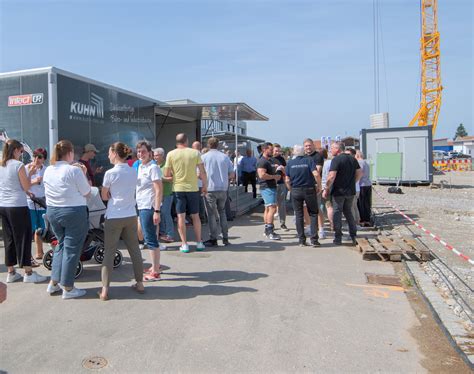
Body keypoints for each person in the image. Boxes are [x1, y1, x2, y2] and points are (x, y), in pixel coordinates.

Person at [44, 140, 91, 298]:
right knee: (71, 250)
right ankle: (68, 288)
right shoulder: (74, 170)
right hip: (73, 212)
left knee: (60, 245)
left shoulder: (48, 169)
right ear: (70, 153)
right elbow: (87, 192)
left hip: (53, 211)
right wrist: (83, 173)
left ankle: (54, 282)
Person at [99, 142, 144, 300]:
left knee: (109, 253)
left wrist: (110, 194)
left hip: (114, 215)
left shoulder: (110, 173)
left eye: (109, 153)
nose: (108, 155)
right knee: (135, 251)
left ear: (115, 154)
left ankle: (105, 290)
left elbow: (104, 196)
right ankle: (140, 283)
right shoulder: (133, 171)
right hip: (130, 214)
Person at [0, 139, 48, 284]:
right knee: (24, 238)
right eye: (21, 151)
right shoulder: (19, 165)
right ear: (15, 150)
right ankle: (28, 272)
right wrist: (31, 173)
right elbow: (26, 186)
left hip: (3, 205)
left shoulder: (2, 165)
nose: (22, 154)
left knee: (9, 238)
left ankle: (11, 272)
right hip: (17, 206)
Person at [164, 133, 207, 253]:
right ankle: (199, 243)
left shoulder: (171, 154)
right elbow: (202, 171)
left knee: (181, 217)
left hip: (178, 188)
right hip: (193, 188)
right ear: (187, 141)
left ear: (176, 142)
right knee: (195, 216)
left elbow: (167, 174)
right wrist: (205, 185)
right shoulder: (195, 153)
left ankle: (184, 244)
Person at [323, 142, 362, 245]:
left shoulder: (336, 160)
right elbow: (360, 173)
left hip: (338, 191)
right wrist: (353, 182)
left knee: (337, 213)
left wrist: (326, 188)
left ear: (338, 149)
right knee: (348, 212)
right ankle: (353, 235)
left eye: (332, 148)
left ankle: (338, 237)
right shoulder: (352, 159)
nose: (330, 150)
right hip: (350, 191)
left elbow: (331, 176)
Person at [136, 141, 164, 281]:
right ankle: (155, 267)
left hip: (149, 206)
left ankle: (156, 272)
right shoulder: (141, 166)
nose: (140, 154)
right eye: (139, 151)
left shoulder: (153, 167)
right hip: (141, 205)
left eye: (143, 151)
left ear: (150, 153)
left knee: (151, 239)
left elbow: (159, 190)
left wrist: (157, 210)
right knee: (142, 234)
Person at [201, 137, 235, 247]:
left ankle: (213, 238)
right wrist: (225, 179)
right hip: (223, 188)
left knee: (211, 214)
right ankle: (225, 238)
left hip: (210, 188)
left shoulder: (204, 157)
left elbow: (199, 174)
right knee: (222, 212)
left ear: (208, 145)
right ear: (218, 145)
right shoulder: (225, 157)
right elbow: (232, 174)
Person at [285, 144, 321, 246]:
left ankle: (301, 240)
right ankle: (314, 239)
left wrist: (291, 189)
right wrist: (319, 186)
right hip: (309, 189)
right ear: (303, 152)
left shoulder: (290, 163)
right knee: (313, 213)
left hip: (296, 190)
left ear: (294, 152)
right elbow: (316, 174)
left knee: (299, 214)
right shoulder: (309, 160)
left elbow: (287, 180)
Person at [257, 142, 283, 240]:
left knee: (268, 209)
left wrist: (277, 169)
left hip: (270, 186)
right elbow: (262, 175)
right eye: (270, 149)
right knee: (272, 208)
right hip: (267, 187)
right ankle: (270, 231)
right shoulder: (262, 161)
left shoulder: (269, 160)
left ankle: (267, 229)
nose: (272, 151)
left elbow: (270, 169)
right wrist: (274, 176)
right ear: (264, 150)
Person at [26, 147, 48, 260]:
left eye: (40, 157)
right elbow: (23, 185)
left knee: (41, 228)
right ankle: (27, 255)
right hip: (30, 202)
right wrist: (34, 181)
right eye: (35, 156)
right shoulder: (26, 168)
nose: (36, 159)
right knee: (30, 228)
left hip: (43, 202)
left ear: (44, 159)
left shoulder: (47, 170)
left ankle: (40, 252)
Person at [303, 138, 325, 239]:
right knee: (305, 207)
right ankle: (308, 227)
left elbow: (318, 170)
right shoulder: (302, 156)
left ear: (313, 146)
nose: (308, 147)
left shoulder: (318, 156)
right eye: (306, 146)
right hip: (304, 186)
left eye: (309, 145)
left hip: (315, 185)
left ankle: (321, 229)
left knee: (317, 208)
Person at [153, 148, 174, 243]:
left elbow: (172, 178)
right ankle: (162, 232)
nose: (155, 157)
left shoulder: (167, 165)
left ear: (162, 155)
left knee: (166, 213)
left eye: (157, 155)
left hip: (167, 193)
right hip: (157, 194)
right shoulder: (153, 165)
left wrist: (161, 179)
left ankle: (170, 234)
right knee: (159, 213)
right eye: (154, 155)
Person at [271, 143, 288, 231]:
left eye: (279, 151)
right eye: (276, 150)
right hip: (271, 184)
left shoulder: (281, 159)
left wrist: (282, 169)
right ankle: (271, 224)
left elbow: (286, 171)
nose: (277, 152)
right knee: (272, 205)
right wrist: (274, 167)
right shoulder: (269, 158)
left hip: (281, 183)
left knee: (282, 204)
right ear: (272, 150)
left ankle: (282, 223)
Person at [192, 141, 207, 223]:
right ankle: (202, 218)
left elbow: (198, 170)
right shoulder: (202, 155)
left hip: (196, 182)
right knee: (200, 201)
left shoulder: (195, 155)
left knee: (198, 202)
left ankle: (201, 218)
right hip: (200, 182)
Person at [356, 150, 372, 226]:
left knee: (361, 203)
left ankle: (363, 219)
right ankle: (367, 219)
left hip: (362, 184)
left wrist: (355, 181)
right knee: (367, 203)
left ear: (357, 155)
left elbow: (360, 172)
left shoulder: (359, 162)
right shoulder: (366, 162)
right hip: (368, 184)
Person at [346, 148, 360, 225]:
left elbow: (360, 174)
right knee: (354, 206)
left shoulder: (354, 162)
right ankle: (356, 222)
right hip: (354, 188)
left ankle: (354, 223)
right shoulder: (352, 162)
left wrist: (352, 182)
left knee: (352, 207)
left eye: (348, 154)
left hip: (354, 188)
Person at [321, 156, 334, 231]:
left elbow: (325, 176)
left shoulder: (326, 163)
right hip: (337, 187)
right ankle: (335, 224)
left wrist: (324, 187)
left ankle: (332, 224)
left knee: (328, 206)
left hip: (327, 186)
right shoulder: (337, 162)